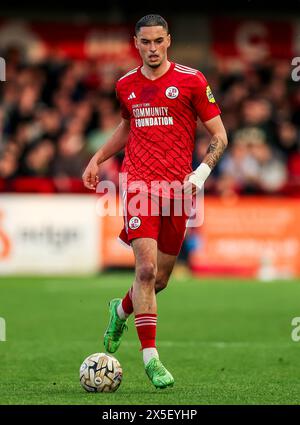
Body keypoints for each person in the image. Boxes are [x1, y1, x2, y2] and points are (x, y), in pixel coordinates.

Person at [82, 14, 228, 389]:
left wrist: (200, 175)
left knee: (159, 280)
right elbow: (127, 127)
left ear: (169, 41)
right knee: (144, 271)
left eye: (158, 41)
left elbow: (220, 136)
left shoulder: (191, 80)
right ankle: (151, 359)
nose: (151, 48)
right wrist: (98, 158)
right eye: (145, 42)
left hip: (179, 193)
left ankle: (120, 310)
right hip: (138, 187)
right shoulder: (125, 85)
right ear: (136, 42)